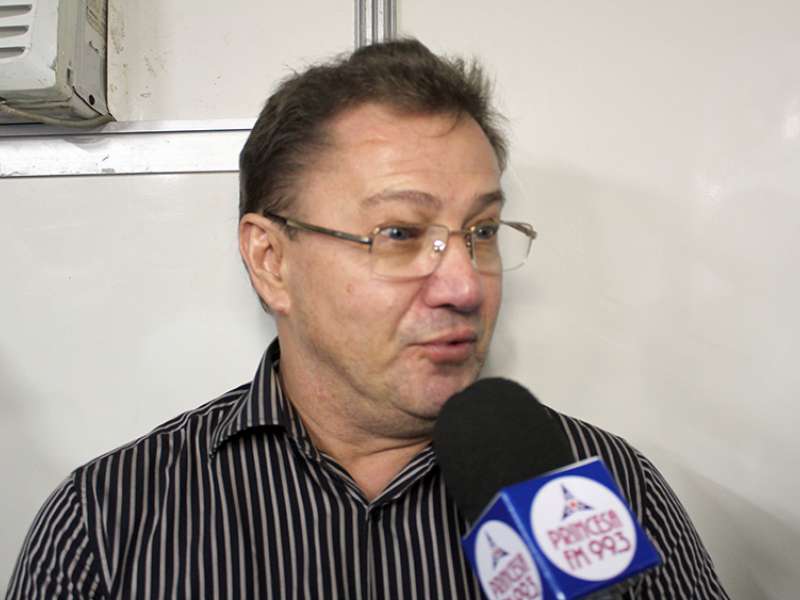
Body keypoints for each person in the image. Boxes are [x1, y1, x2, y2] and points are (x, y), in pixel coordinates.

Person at [7, 39, 728, 599]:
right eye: (400, 233)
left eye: (481, 232)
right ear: (271, 260)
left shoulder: (607, 488)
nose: (465, 286)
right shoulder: (107, 523)